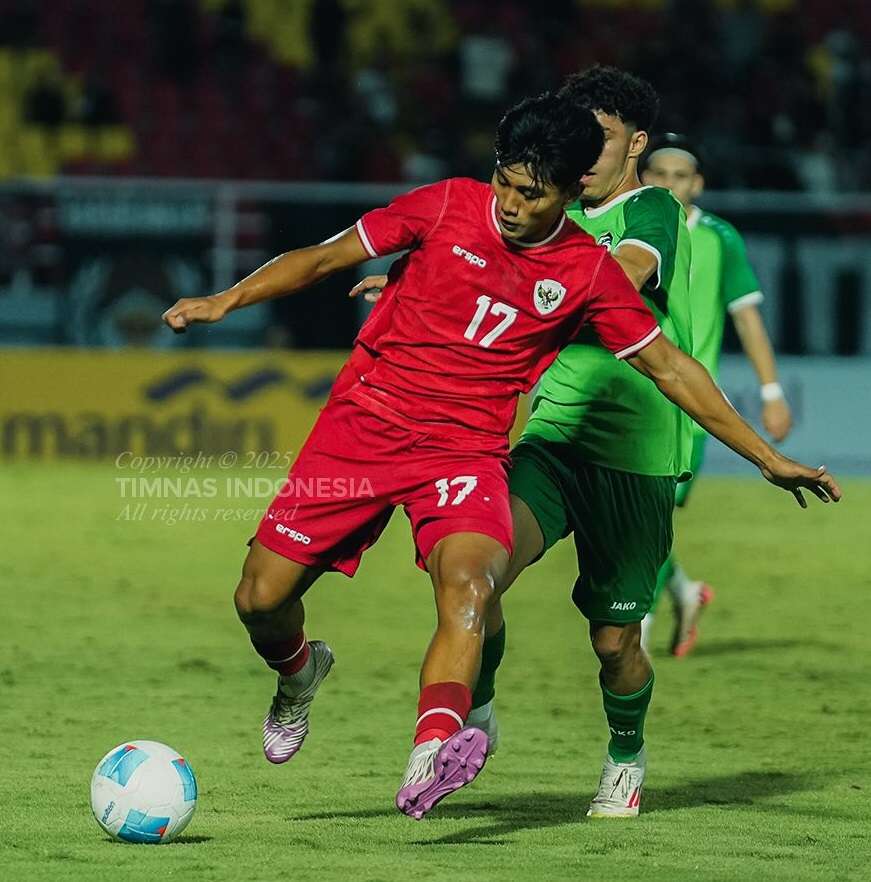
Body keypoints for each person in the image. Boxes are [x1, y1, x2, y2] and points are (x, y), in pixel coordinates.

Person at [162, 91, 838, 821]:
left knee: (472, 588)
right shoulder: (445, 205)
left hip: (465, 451)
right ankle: (299, 673)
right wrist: (224, 301)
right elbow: (326, 256)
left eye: (532, 194)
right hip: (363, 427)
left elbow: (669, 367)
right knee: (259, 598)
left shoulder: (588, 272)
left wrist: (765, 456)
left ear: (572, 190)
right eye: (505, 185)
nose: (511, 205)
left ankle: (434, 746)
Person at [641, 132, 793, 656]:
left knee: (652, 511)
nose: (668, 184)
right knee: (631, 513)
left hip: (690, 401)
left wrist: (771, 391)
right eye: (658, 174)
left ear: (697, 185)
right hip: (627, 394)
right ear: (642, 176)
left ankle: (636, 630)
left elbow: (746, 317)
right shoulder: (623, 227)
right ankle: (682, 590)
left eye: (679, 176)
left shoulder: (718, 238)